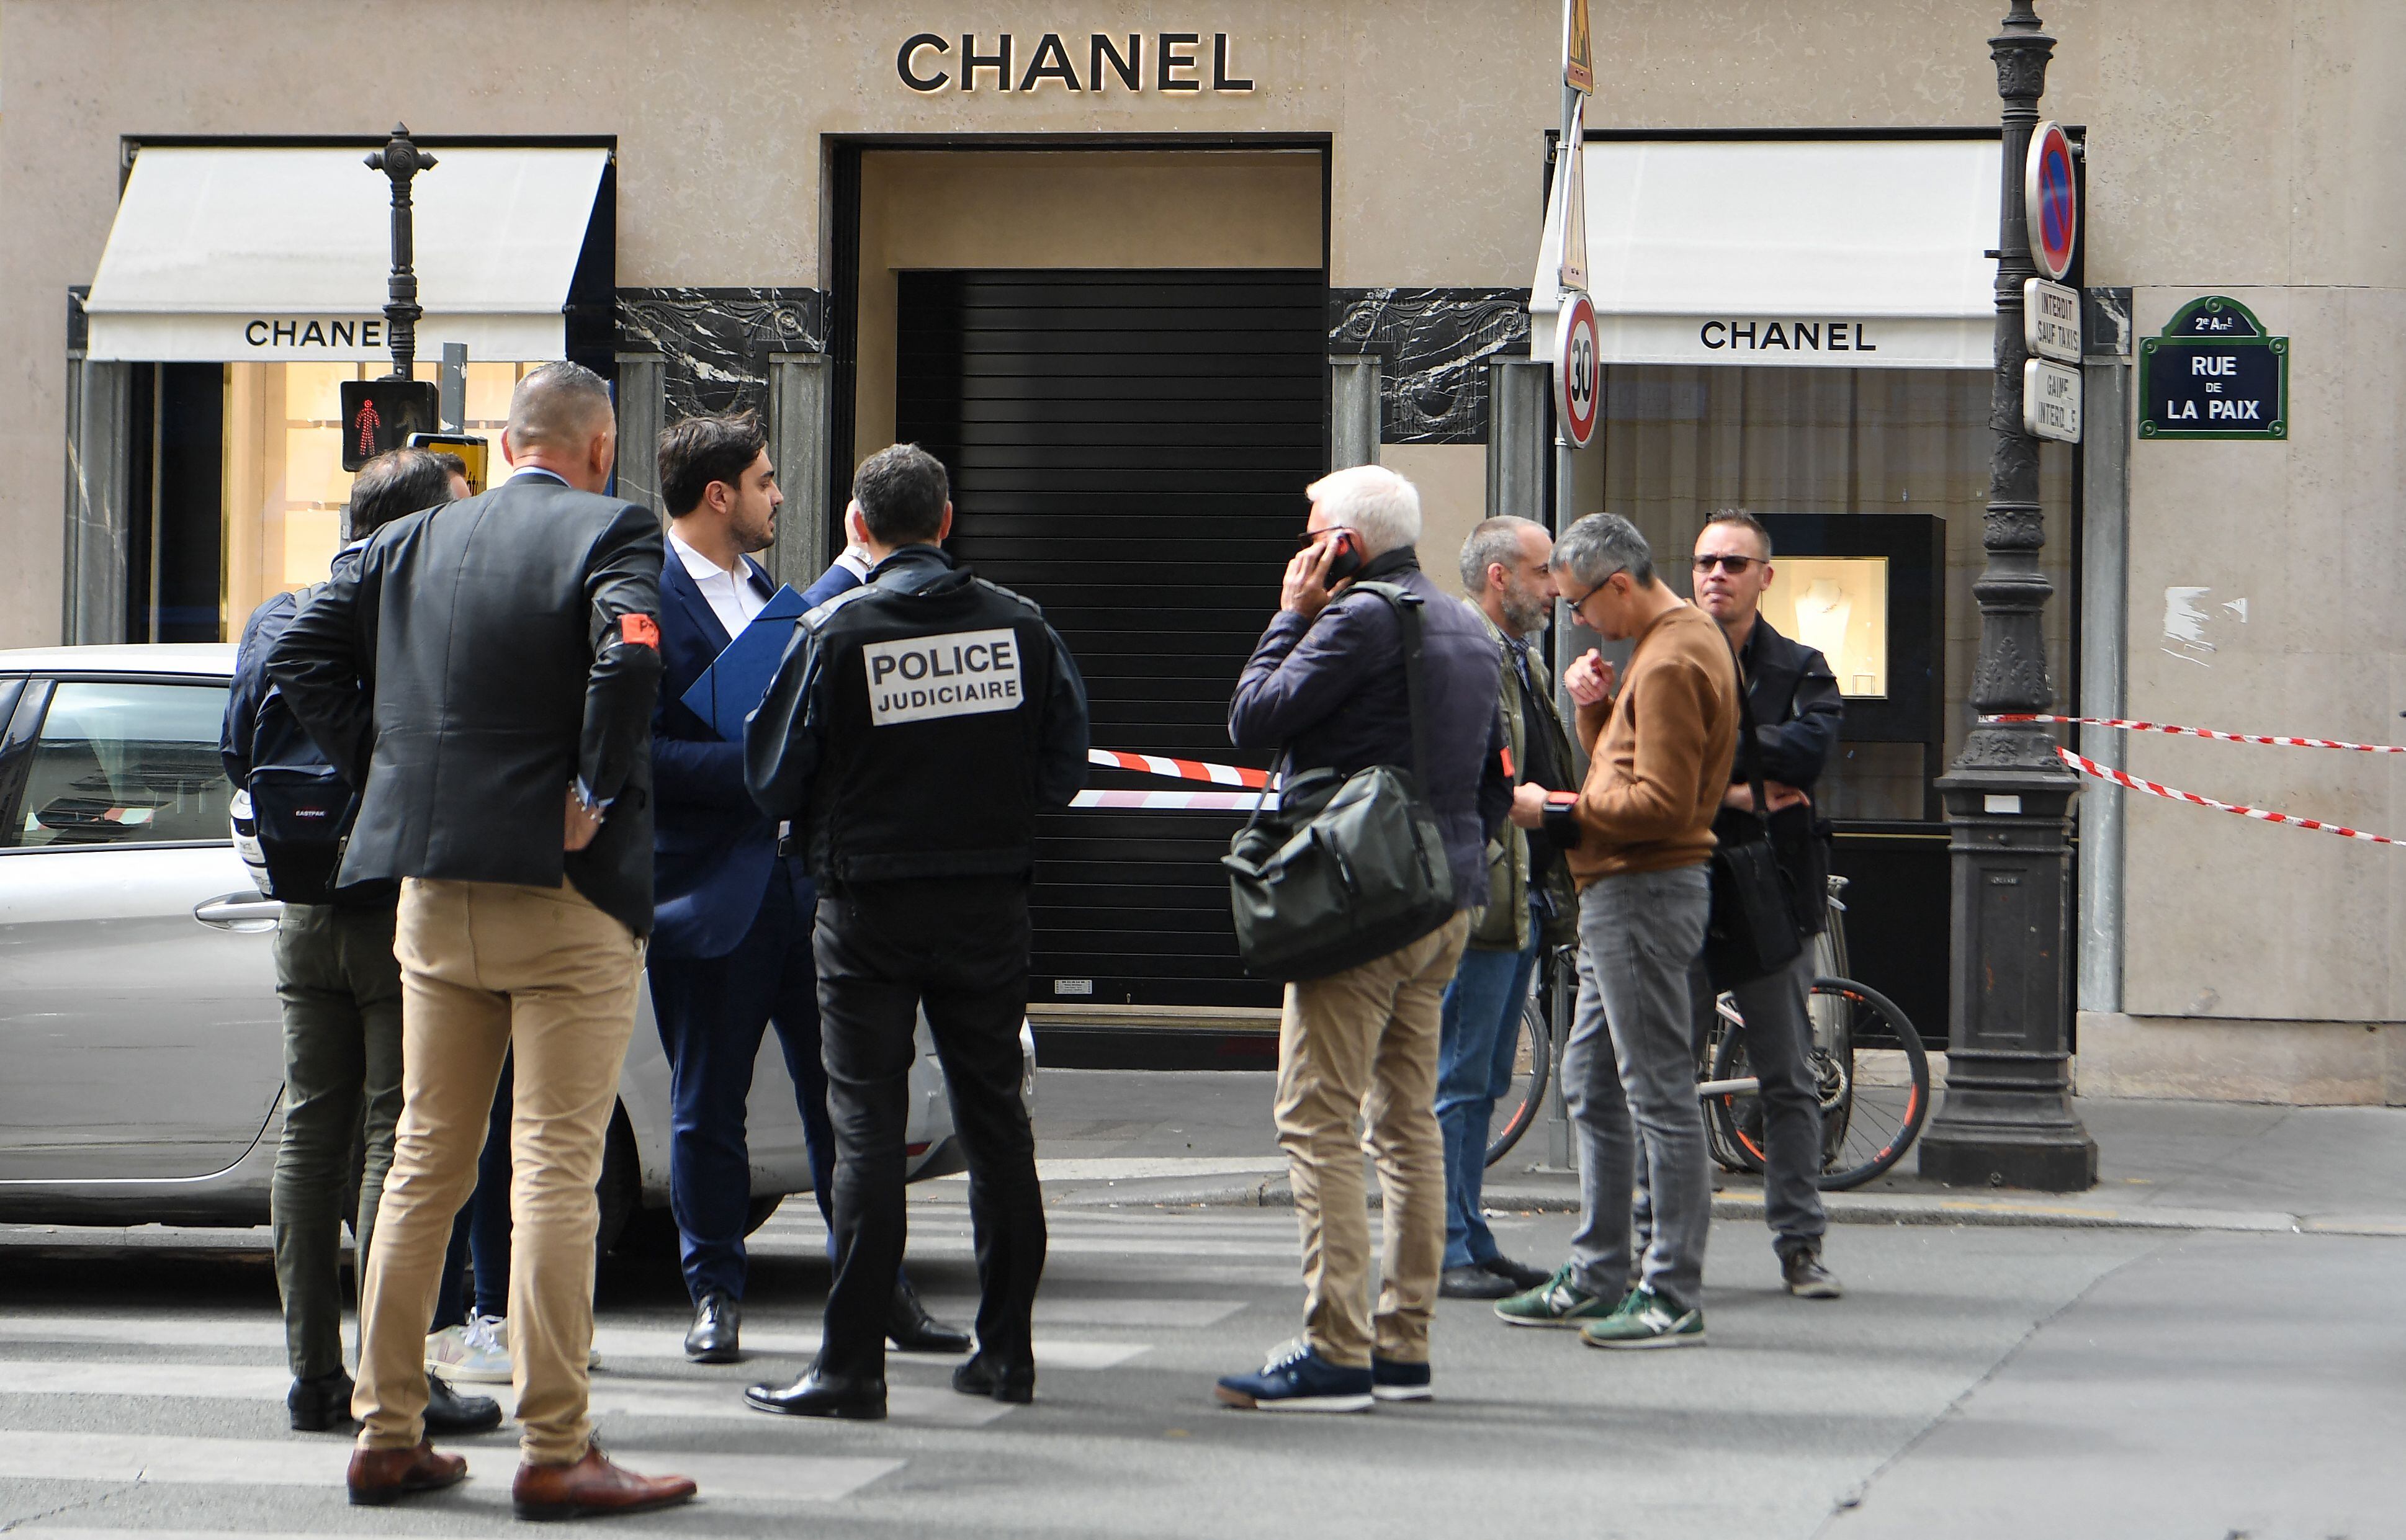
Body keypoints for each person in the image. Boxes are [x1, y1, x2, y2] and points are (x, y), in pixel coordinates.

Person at [270, 361, 695, 1519]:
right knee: (554, 1164)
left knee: (423, 1161)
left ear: (507, 447)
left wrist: (395, 768)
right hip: (564, 890)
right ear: (598, 448)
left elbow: (299, 653)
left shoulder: (411, 541)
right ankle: (556, 1444)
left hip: (430, 885)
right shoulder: (615, 528)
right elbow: (635, 655)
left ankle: (385, 1426)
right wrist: (591, 785)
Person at [742, 443, 1088, 1418]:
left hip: (866, 915)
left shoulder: (831, 629)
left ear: (860, 527)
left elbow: (769, 777)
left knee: (866, 1138)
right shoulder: (1019, 627)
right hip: (986, 906)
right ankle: (1006, 1355)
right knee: (996, 1128)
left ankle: (852, 1366)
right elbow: (1064, 767)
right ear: (946, 521)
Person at [647, 413, 966, 1364]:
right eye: (765, 480)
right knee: (708, 1104)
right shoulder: (647, 596)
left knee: (846, 1100)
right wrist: (759, 768)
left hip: (805, 886)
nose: (778, 496)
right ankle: (714, 1293)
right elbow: (643, 755)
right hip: (706, 894)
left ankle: (880, 1289)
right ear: (719, 496)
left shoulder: (769, 591)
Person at [220, 447, 500, 1440]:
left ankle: (311, 1374)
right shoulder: (405, 617)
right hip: (391, 907)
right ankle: (397, 1380)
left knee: (310, 1135)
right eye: (459, 514)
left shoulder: (278, 612)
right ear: (420, 525)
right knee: (398, 1137)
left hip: (302, 913)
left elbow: (234, 748)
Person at [1215, 465, 1508, 1412]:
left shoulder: (1358, 616)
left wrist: (1289, 613)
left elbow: (1253, 719)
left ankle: (1335, 1345)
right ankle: (1402, 1344)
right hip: (1446, 899)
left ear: (1344, 542)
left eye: (1312, 531)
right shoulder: (1468, 624)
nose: (1302, 547)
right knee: (1407, 1122)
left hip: (1361, 900)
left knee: (1317, 1117)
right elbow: (1499, 780)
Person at [1493, 513, 1738, 1350]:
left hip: (1641, 892)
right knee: (1592, 1080)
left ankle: (1668, 1288)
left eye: (1580, 604)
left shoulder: (1671, 658)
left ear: (1619, 584)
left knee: (1655, 1091)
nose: (1578, 621)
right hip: (1630, 893)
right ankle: (1600, 1271)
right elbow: (1631, 773)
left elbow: (1659, 807)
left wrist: (1551, 807)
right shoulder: (1674, 644)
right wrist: (1595, 714)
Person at [1687, 510, 1844, 1297]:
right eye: (1706, 561)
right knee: (1662, 1077)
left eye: (1734, 563)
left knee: (1786, 1075)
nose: (1717, 574)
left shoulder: (1801, 664)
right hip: (1677, 885)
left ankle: (1799, 1244)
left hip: (1770, 894)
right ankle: (1662, 1238)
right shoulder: (1664, 655)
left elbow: (1810, 751)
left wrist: (1711, 767)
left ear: (1764, 577)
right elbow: (1644, 748)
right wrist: (1752, 782)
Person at [1435, 516, 1577, 1302]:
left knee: (1486, 1076)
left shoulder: (1520, 659)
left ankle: (1471, 1235)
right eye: (1542, 570)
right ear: (1500, 577)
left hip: (1516, 891)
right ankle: (1447, 1246)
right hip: (1482, 889)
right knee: (1460, 1077)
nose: (1555, 587)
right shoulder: (1467, 655)